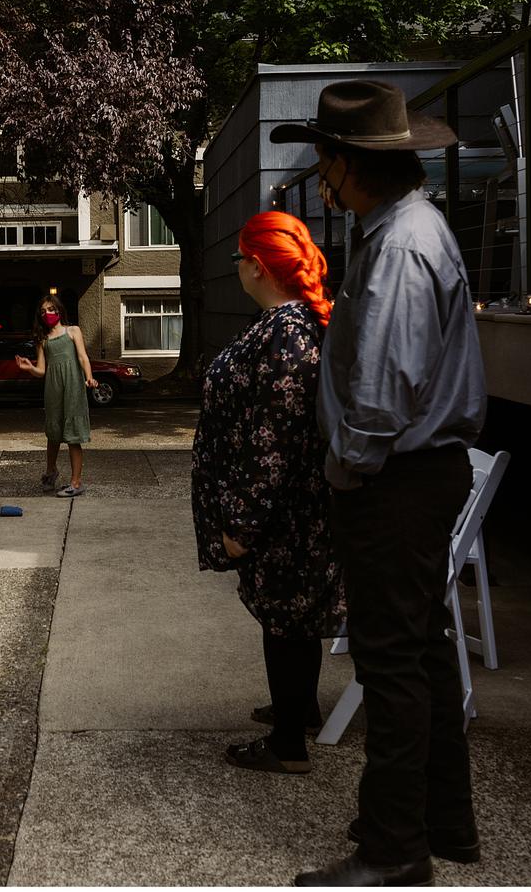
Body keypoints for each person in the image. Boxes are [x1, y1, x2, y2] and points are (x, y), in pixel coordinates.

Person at [270, 80, 487, 887]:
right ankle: (441, 825)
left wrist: (345, 471)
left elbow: (378, 392)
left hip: (396, 479)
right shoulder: (404, 230)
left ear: (346, 163)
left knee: (392, 666)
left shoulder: (398, 245)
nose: (319, 180)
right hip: (412, 476)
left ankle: (394, 852)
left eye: (324, 161)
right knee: (420, 654)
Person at [191, 211, 345, 776]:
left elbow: (275, 438)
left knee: (285, 617)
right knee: (288, 618)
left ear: (257, 267)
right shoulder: (289, 324)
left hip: (281, 514)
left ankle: (288, 745)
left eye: (237, 259)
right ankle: (297, 708)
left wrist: (242, 523)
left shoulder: (288, 330)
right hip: (288, 509)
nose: (236, 268)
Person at [15, 293, 97, 497]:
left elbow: (82, 356)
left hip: (73, 387)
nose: (48, 314)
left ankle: (76, 483)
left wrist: (89, 377)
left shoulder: (73, 331)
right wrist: (29, 368)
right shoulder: (42, 339)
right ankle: (51, 472)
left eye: (51, 309)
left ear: (59, 310)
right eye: (43, 311)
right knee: (53, 434)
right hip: (53, 388)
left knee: (72, 436)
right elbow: (42, 370)